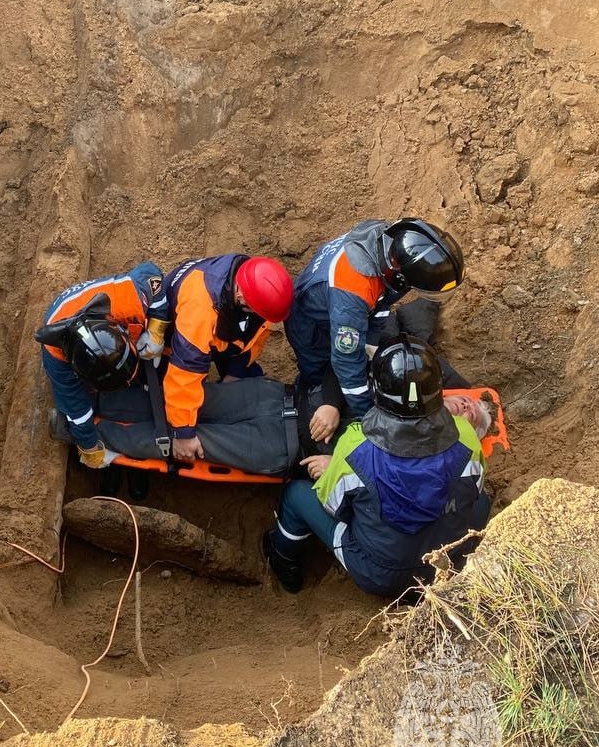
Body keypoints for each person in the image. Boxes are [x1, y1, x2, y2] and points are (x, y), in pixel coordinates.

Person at [262, 335, 490, 598]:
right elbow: (472, 490)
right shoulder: (467, 436)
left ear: (376, 389)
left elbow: (335, 507)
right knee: (481, 500)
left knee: (296, 495)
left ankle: (282, 560)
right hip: (444, 564)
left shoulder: (355, 444)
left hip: (382, 573)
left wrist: (338, 469)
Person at [286, 218, 465, 422]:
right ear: (402, 277)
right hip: (308, 323)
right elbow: (346, 360)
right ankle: (306, 395)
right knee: (317, 371)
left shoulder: (390, 247)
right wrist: (368, 415)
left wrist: (370, 344)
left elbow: (382, 302)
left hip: (332, 299)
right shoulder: (353, 294)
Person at [35, 261, 169, 469]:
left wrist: (156, 330)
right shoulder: (58, 360)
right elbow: (77, 410)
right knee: (68, 406)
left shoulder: (128, 297)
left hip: (119, 322)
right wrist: (90, 449)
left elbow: (154, 277)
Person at [163, 255, 294, 462]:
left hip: (220, 330)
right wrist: (183, 432)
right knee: (170, 402)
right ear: (241, 296)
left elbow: (256, 334)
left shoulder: (255, 282)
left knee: (245, 380)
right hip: (173, 341)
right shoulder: (201, 304)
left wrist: (236, 372)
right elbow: (185, 369)